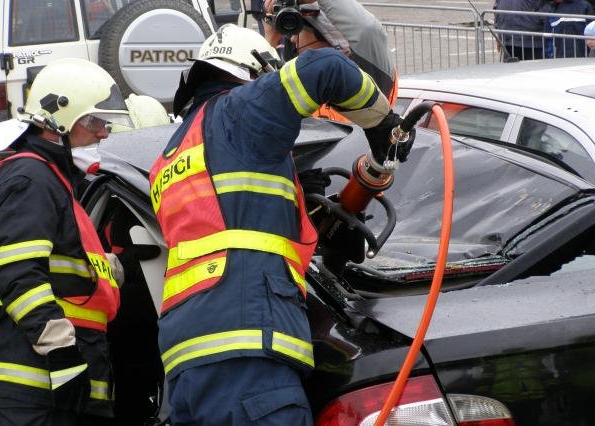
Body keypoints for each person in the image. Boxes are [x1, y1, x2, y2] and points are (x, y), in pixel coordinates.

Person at [158, 24, 410, 425]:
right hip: (247, 351)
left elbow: (231, 221)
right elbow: (325, 67)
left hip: (186, 361)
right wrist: (381, 121)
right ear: (255, 75)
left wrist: (293, 196)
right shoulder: (241, 109)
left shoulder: (172, 155)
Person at [0, 58, 131, 425]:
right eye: (93, 122)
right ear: (57, 121)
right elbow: (15, 270)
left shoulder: (53, 182)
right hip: (27, 384)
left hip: (44, 387)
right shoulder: (30, 176)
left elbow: (65, 269)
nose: (103, 133)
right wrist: (60, 351)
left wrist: (118, 266)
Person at [262, 0, 397, 121]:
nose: (291, 40)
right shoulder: (301, 81)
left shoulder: (367, 76)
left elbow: (367, 30)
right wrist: (271, 38)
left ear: (328, 38)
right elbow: (261, 99)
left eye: (299, 31)